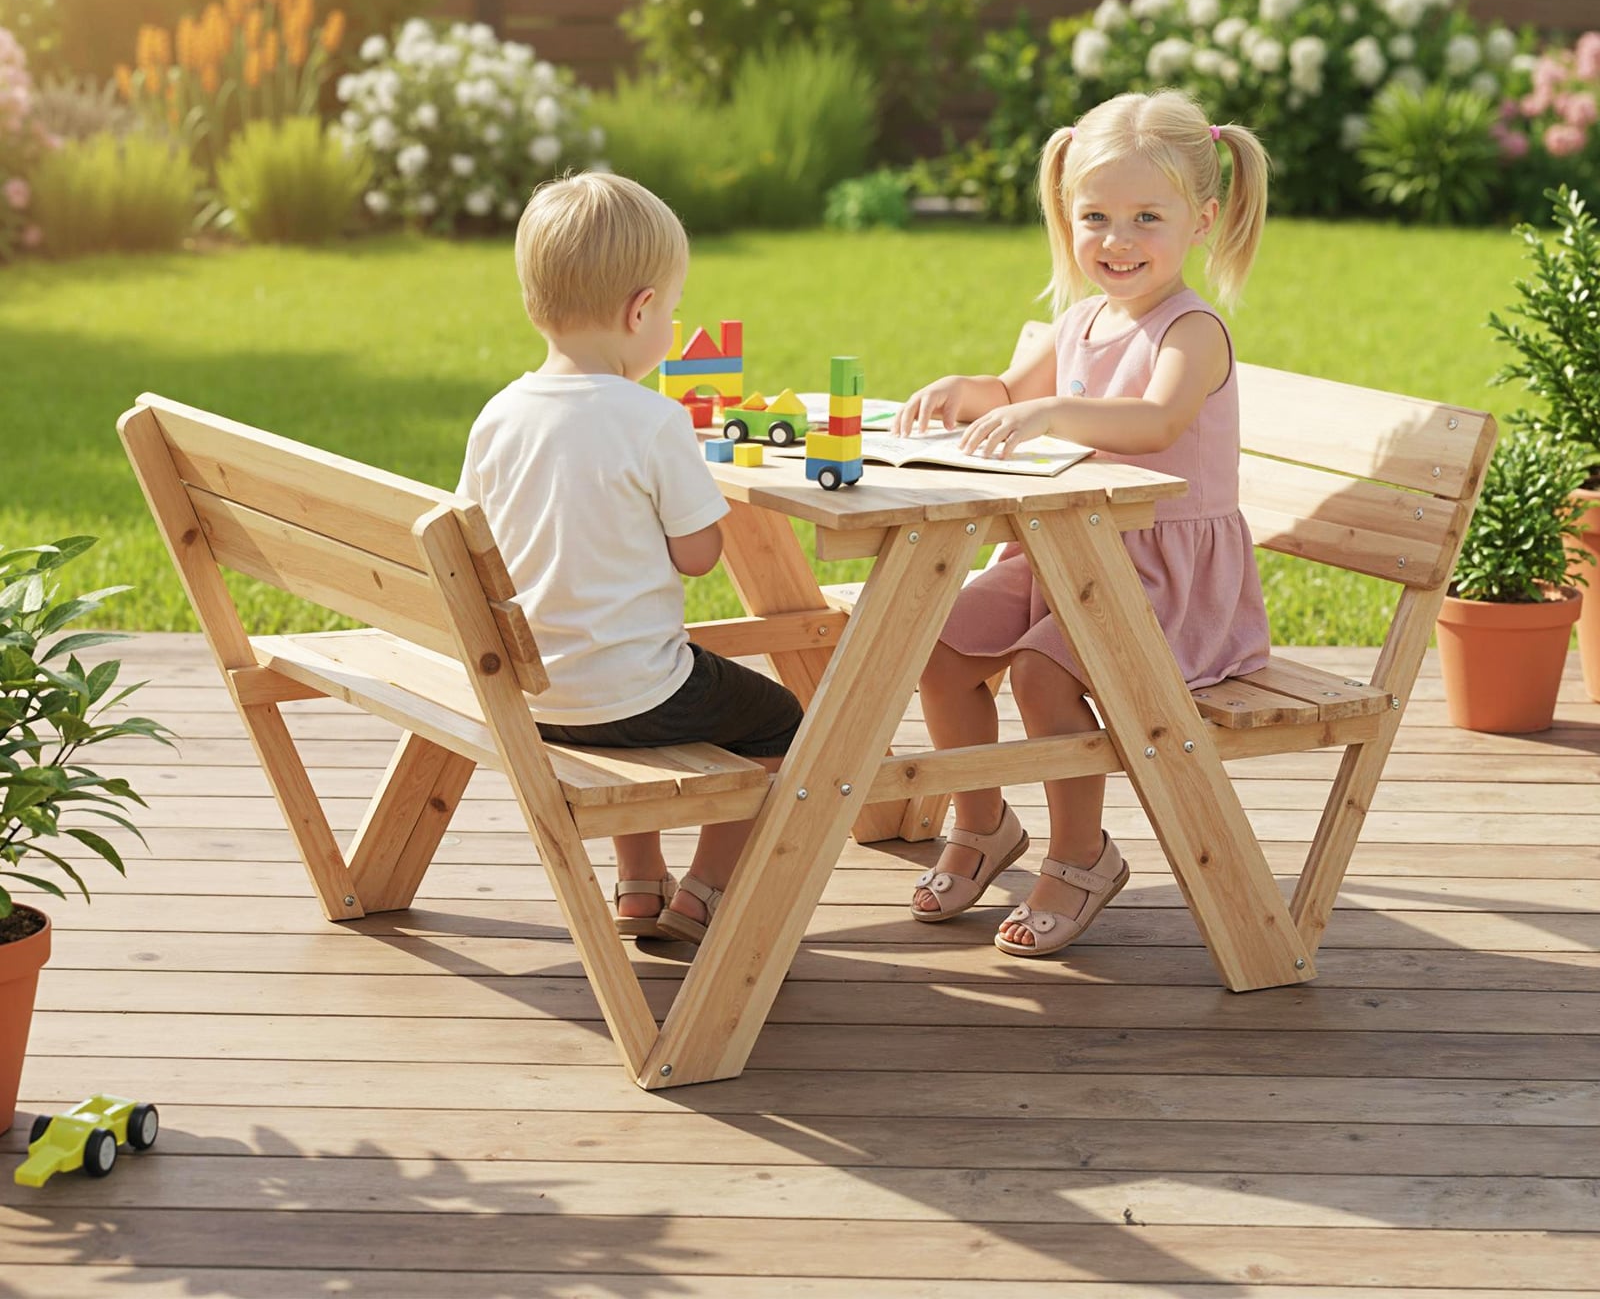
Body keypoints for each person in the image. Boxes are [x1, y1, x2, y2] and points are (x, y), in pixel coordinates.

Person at [891, 89, 1272, 957]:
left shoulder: (1193, 330)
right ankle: (982, 823)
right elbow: (1009, 391)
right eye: (1096, 217)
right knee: (938, 646)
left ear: (1202, 220)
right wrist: (968, 391)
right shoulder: (1080, 320)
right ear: (1067, 217)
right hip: (1064, 554)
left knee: (1038, 675)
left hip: (1162, 574)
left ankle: (1080, 857)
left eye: (1147, 217)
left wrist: (1055, 412)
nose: (1119, 240)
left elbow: (1157, 423)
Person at [457, 172, 803, 945]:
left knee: (634, 666)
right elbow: (698, 558)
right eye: (672, 312)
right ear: (641, 310)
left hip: (534, 699)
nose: (671, 325)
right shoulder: (653, 421)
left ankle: (642, 885)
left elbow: (471, 539)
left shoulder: (499, 415)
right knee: (784, 721)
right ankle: (706, 891)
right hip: (636, 698)